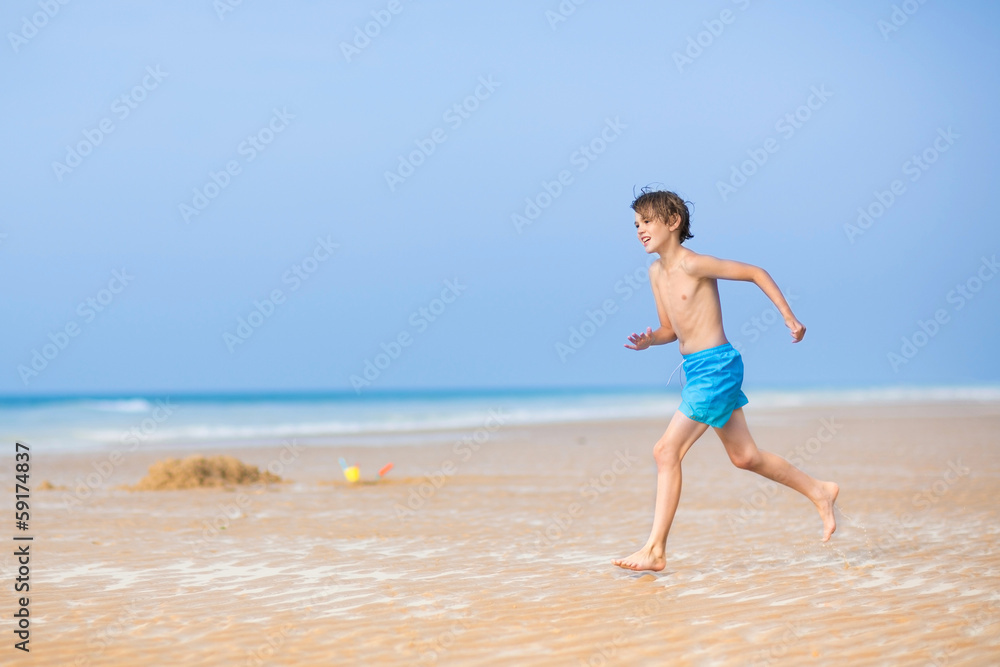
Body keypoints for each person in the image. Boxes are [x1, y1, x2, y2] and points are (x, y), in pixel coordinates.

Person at [612, 188, 839, 572]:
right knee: (745, 457)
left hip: (717, 367)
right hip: (697, 370)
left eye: (647, 221)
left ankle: (655, 550)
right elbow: (671, 328)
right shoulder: (656, 273)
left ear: (672, 222)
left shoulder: (694, 264)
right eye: (636, 224)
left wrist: (788, 317)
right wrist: (653, 340)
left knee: (666, 451)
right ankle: (820, 491)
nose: (640, 229)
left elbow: (754, 272)